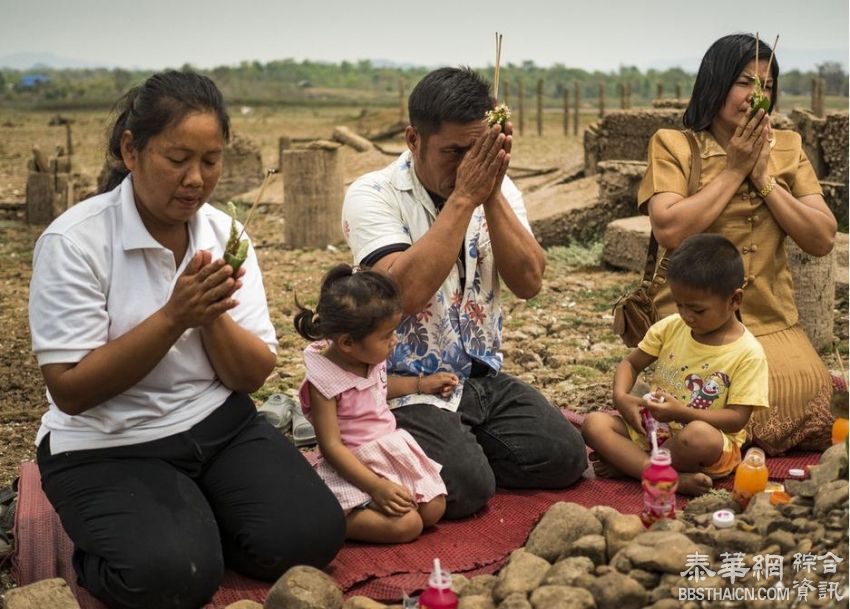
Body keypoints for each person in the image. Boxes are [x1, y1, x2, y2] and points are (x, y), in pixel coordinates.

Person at [28, 71, 345, 609]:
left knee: (310, 537)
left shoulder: (226, 235)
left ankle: (190, 517)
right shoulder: (74, 242)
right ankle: (111, 547)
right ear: (131, 149)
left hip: (215, 423)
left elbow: (249, 376)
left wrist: (209, 315)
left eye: (210, 161)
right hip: (108, 445)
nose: (196, 179)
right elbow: (72, 391)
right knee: (171, 577)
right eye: (177, 160)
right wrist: (175, 315)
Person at [341, 67, 587, 519]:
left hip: (479, 377)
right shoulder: (372, 193)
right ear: (413, 139)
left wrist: (489, 192)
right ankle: (390, 441)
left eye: (479, 151)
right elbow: (403, 295)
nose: (467, 165)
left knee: (567, 457)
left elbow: (529, 282)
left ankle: (447, 447)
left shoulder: (499, 188)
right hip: (403, 386)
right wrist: (464, 198)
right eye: (454, 152)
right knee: (468, 486)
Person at [638, 34, 837, 455]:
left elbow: (821, 237)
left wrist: (764, 180)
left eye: (767, 85)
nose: (756, 96)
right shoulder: (674, 144)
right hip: (695, 320)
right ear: (716, 82)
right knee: (717, 408)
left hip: (772, 319)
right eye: (745, 82)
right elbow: (670, 230)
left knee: (807, 394)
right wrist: (734, 170)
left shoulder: (788, 146)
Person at [583, 234, 769, 495]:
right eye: (680, 305)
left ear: (734, 300)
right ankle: (664, 476)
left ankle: (636, 468)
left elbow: (737, 419)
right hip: (653, 431)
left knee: (698, 436)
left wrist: (681, 413)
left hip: (704, 444)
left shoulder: (747, 353)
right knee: (594, 424)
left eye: (698, 309)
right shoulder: (672, 327)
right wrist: (621, 397)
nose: (687, 316)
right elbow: (631, 364)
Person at [294, 264, 455, 543]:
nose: (394, 340)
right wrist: (376, 487)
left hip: (387, 452)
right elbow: (332, 447)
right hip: (353, 466)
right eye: (386, 335)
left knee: (434, 508)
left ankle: (372, 508)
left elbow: (378, 387)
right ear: (346, 343)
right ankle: (337, 517)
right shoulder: (325, 382)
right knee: (407, 526)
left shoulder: (367, 355)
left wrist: (420, 384)